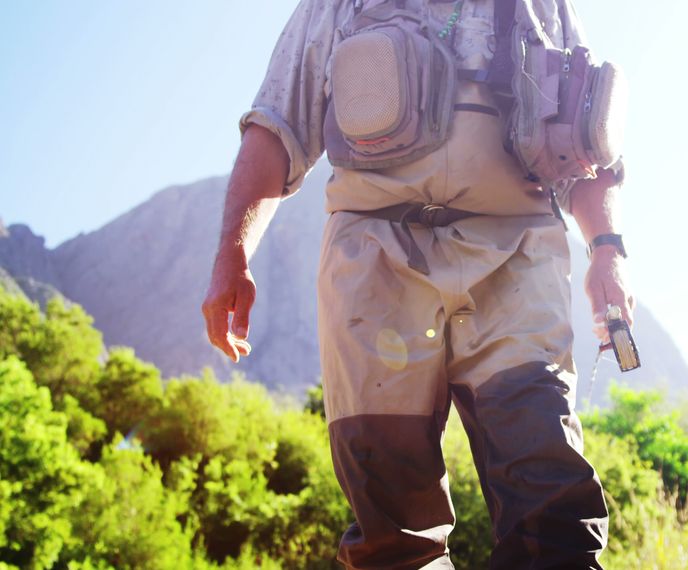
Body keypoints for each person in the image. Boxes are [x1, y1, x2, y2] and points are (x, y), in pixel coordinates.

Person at [201, 0, 632, 567]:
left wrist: (607, 250)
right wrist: (233, 256)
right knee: (394, 532)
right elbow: (277, 125)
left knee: (552, 499)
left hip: (516, 260)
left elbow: (587, 144)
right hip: (375, 266)